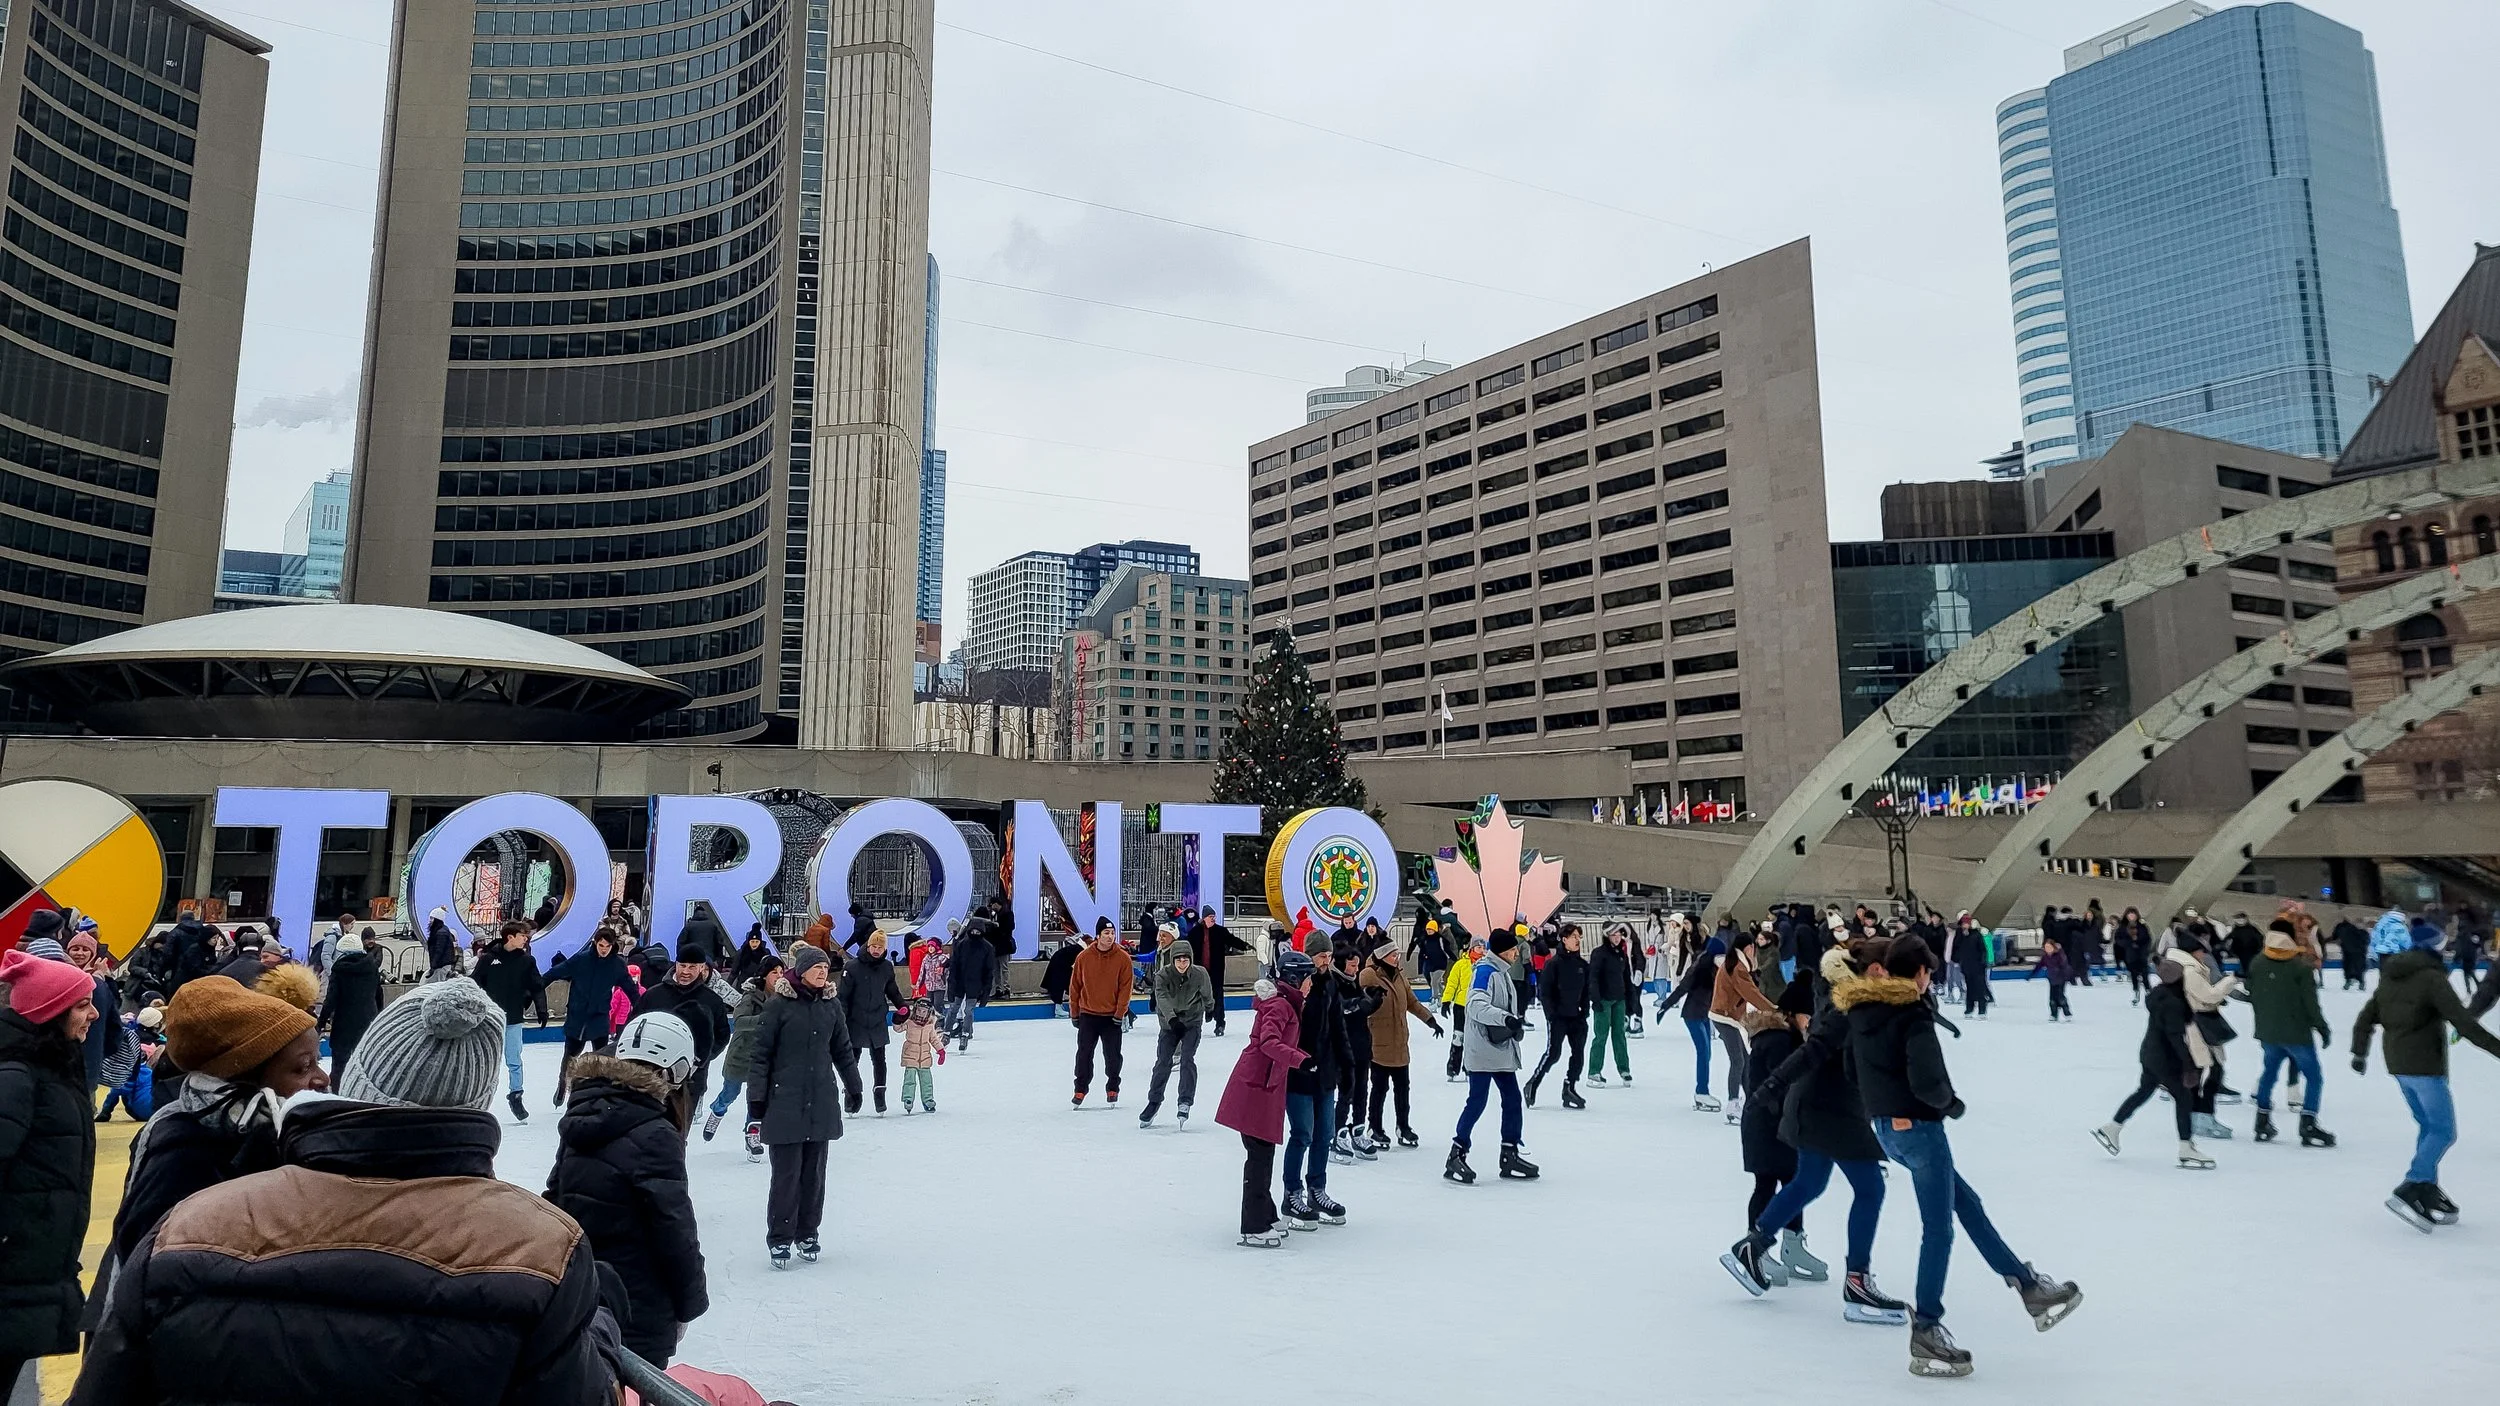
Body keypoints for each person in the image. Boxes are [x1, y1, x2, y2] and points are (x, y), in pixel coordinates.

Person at [72, 978, 623, 1405]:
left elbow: (116, 1372)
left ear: (361, 1076)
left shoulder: (193, 1224)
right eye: (303, 1066)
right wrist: (597, 1327)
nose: (320, 1078)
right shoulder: (542, 1252)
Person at [1848, 936, 2081, 1377]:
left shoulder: (1861, 1010)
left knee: (1967, 1205)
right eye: (1928, 972)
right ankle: (1928, 1328)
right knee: (1939, 1230)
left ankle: (2028, 1285)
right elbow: (1929, 1082)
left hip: (1886, 1131)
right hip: (1919, 1129)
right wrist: (1951, 1105)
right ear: (1918, 973)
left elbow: (1849, 1071)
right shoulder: (1911, 1015)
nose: (1930, 979)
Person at [90, 974, 326, 1334]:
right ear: (249, 1080)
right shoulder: (192, 1149)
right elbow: (146, 1268)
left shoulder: (260, 1132)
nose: (322, 1078)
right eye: (301, 1067)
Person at [1722, 943, 1906, 1324]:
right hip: (1829, 1111)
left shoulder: (1862, 1003)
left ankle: (1753, 1246)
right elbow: (1812, 1052)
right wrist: (1772, 1086)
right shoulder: (1847, 1006)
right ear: (1873, 971)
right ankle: (1857, 1282)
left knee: (1809, 1182)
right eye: (1890, 970)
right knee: (1870, 1188)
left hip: (1827, 1107)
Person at [545, 1010, 708, 1369]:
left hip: (579, 1292)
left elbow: (555, 1198)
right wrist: (689, 1302)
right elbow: (674, 1227)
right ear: (672, 1071)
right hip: (637, 1306)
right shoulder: (656, 1133)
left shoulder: (584, 1111)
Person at [2352, 915, 2500, 1231]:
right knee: (2444, 1132)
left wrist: (2359, 1053)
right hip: (2425, 1066)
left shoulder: (2390, 976)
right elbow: (2463, 1023)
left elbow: (2365, 1019)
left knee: (2427, 1127)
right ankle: (2413, 1184)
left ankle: (2427, 1188)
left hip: (2399, 1066)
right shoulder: (2432, 978)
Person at [0, 947, 97, 1400]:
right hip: (13, 1269)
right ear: (49, 1011)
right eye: (82, 1004)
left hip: (27, 1269)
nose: (94, 1014)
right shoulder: (19, 1077)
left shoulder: (50, 1069)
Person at [746, 943, 864, 1268]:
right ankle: (780, 1238)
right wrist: (757, 1099)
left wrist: (854, 1086)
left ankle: (808, 1232)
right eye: (817, 968)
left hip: (821, 1101)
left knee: (814, 1175)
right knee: (786, 1176)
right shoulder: (778, 1006)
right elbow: (761, 1056)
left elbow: (843, 1049)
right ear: (801, 971)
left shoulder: (831, 1006)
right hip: (784, 1101)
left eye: (826, 968)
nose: (823, 973)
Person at [2092, 937, 2210, 1169]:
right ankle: (2186, 1147)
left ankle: (2112, 1127)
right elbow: (2175, 1037)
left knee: (2144, 1091)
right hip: (2165, 1059)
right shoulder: (2173, 1004)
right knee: (2184, 1098)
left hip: (2149, 1053)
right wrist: (2188, 1064)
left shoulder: (2160, 995)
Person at [1215, 952, 1307, 1248]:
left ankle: (1265, 1214)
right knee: (1259, 1157)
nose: (1311, 984)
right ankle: (1253, 1225)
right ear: (1295, 978)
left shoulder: (1285, 1003)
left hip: (1263, 1086)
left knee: (1262, 1153)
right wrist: (1301, 1061)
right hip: (1254, 1086)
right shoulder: (1280, 1005)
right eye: (1308, 978)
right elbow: (1269, 1043)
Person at [1446, 930, 1536, 1185]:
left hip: (1499, 1048)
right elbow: (1475, 1006)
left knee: (1512, 1099)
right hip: (1483, 1050)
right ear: (1502, 951)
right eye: (1512, 949)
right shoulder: (1485, 971)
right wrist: (1505, 1019)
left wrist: (1510, 1023)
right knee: (1477, 1101)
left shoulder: (1502, 972)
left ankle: (1509, 1152)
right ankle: (1457, 1152)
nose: (1516, 952)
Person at [2247, 924, 2335, 1149]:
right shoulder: (2300, 968)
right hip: (2296, 1033)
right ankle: (2308, 1122)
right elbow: (2311, 1004)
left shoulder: (2257, 963)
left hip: (2268, 1032)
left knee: (2269, 1073)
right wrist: (2322, 1027)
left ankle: (2262, 1120)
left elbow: (2253, 993)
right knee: (2314, 1077)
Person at [1282, 940, 1350, 1227]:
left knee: (1325, 1134)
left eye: (1330, 956)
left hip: (1325, 1073)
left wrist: (1347, 1065)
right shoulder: (1293, 993)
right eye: (1322, 956)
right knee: (1303, 1134)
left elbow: (1338, 1026)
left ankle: (1316, 1190)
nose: (1327, 961)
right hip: (1298, 1074)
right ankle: (1292, 1193)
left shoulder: (1330, 985)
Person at [634, 939, 733, 1129]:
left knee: (677, 1133)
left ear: (702, 968)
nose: (686, 971)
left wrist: (701, 1058)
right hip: (650, 1075)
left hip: (690, 1080)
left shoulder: (711, 1001)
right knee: (646, 1130)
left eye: (692, 967)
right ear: (675, 965)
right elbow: (634, 1025)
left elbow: (721, 1035)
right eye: (682, 965)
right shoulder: (654, 995)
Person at [1359, 938, 1442, 1148]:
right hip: (1379, 1043)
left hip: (1400, 1043)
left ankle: (1403, 1126)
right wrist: (1370, 998)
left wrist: (1430, 1020)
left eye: (1397, 954)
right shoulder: (1370, 974)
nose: (1397, 958)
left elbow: (1412, 1002)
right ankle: (1375, 1127)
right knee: (1379, 1088)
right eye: (1393, 955)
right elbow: (1361, 1001)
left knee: (1403, 1088)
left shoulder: (1399, 975)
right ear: (1382, 956)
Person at [544, 928, 632, 1105]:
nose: (604, 949)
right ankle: (563, 1084)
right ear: (595, 943)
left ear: (613, 945)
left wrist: (643, 1005)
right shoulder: (581, 960)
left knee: (602, 1058)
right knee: (570, 1054)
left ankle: (599, 1091)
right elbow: (555, 973)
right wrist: (535, 989)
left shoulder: (617, 965)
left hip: (599, 1016)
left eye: (608, 946)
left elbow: (630, 988)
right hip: (578, 1014)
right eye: (601, 945)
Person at [470, 919, 547, 1121]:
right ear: (510, 937)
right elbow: (474, 984)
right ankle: (475, 1097)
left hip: (513, 1017)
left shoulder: (527, 961)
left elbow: (537, 985)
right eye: (523, 936)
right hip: (489, 1019)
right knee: (484, 1060)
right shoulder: (488, 959)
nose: (526, 940)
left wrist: (542, 1009)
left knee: (514, 1059)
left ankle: (516, 1094)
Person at [705, 956, 780, 1147]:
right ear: (764, 975)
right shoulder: (750, 996)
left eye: (781, 972)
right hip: (742, 1055)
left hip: (766, 1057)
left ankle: (752, 1133)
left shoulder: (783, 997)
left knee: (758, 1097)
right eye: (774, 972)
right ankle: (717, 1110)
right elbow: (739, 1022)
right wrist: (765, 1020)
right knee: (731, 1092)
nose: (779, 976)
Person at [1140, 936, 1213, 1128]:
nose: (1182, 963)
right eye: (1179, 959)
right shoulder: (1162, 975)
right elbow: (1162, 998)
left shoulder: (1200, 974)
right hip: (1168, 1024)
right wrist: (1172, 1019)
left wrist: (1211, 1008)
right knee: (1163, 1062)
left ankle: (1185, 1101)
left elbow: (1207, 992)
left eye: (1186, 959)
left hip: (1191, 1022)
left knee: (1187, 1058)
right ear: (1172, 960)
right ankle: (1154, 1102)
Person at [834, 931, 907, 1116]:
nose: (876, 950)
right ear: (868, 946)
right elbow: (843, 997)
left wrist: (902, 1006)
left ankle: (879, 1095)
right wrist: (841, 1019)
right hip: (855, 1021)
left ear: (885, 949)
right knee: (852, 1060)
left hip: (876, 1019)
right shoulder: (852, 967)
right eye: (873, 946)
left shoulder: (887, 967)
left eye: (880, 947)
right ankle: (851, 1096)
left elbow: (893, 991)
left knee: (879, 1060)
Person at [1708, 936, 1777, 1123]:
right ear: (1748, 948)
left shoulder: (1735, 964)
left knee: (1745, 1060)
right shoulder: (1738, 968)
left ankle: (1750, 1102)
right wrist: (1773, 1010)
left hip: (1727, 1016)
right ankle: (1732, 1104)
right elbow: (1751, 993)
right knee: (1738, 1061)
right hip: (1725, 1017)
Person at [1657, 934, 1725, 1112]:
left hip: (1704, 1014)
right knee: (1703, 1052)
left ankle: (1702, 1090)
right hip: (1693, 1014)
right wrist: (1665, 1005)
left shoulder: (1714, 969)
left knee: (1707, 1053)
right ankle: (1701, 1091)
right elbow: (1683, 987)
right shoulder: (1700, 968)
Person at [1068, 919, 1132, 1107]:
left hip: (1112, 1017)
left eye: (1112, 933)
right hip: (1088, 1014)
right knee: (1084, 1054)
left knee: (1113, 1055)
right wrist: (1074, 1012)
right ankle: (1080, 1089)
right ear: (1098, 936)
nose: (1110, 937)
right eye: (1106, 933)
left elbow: (1125, 989)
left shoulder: (1123, 958)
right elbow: (1075, 986)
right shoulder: (1084, 957)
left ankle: (1113, 1087)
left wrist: (1120, 1013)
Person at [1526, 923, 1591, 1109]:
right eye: (1574, 937)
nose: (1578, 940)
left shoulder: (1582, 965)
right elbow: (1544, 992)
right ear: (1564, 939)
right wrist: (1551, 1014)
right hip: (1558, 1017)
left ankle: (1569, 1087)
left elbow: (1586, 990)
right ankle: (1533, 1083)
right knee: (1553, 1053)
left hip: (1577, 1017)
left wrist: (1584, 1011)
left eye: (1579, 937)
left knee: (1578, 1054)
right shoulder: (1553, 964)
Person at [323, 928, 385, 1090]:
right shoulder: (372, 967)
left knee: (339, 1062)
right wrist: (378, 1016)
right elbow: (378, 994)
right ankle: (362, 1091)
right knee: (365, 1059)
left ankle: (337, 1093)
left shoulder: (339, 970)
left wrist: (320, 1023)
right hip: (367, 1020)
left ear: (341, 951)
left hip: (344, 1022)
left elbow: (331, 1000)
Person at [1586, 923, 1639, 1085]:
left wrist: (1631, 1000)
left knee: (1620, 1036)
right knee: (1601, 1036)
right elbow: (1593, 977)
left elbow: (1626, 977)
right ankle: (1594, 1071)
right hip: (1603, 1000)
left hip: (1619, 1000)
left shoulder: (1621, 954)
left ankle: (1624, 1069)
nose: (1616, 938)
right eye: (1613, 935)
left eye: (1619, 935)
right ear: (1606, 936)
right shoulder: (1599, 953)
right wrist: (1595, 999)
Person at [944, 910, 997, 1051]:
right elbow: (954, 966)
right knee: (954, 1008)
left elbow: (988, 972)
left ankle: (965, 1034)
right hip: (960, 983)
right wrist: (951, 985)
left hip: (975, 985)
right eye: (972, 931)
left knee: (968, 1010)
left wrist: (985, 992)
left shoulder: (987, 948)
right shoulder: (961, 945)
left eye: (977, 932)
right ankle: (946, 1033)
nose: (975, 934)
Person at [1439, 934, 1481, 1082]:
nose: (1481, 950)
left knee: (1473, 1039)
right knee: (1459, 1037)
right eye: (1478, 947)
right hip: (1461, 1006)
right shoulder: (1461, 964)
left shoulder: (1486, 965)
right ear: (1471, 948)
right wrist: (1446, 1001)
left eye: (1483, 947)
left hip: (1478, 1007)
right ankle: (1452, 1067)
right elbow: (1452, 983)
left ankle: (1470, 1067)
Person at [897, 998, 941, 1114]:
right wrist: (897, 1018)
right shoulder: (909, 1022)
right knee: (909, 1079)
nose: (921, 1013)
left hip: (925, 1057)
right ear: (915, 1010)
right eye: (919, 1010)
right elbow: (898, 1029)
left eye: (924, 1011)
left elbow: (934, 1039)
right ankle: (908, 1099)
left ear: (928, 1013)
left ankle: (928, 1100)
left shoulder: (930, 1025)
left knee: (926, 1081)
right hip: (910, 1055)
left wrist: (940, 1050)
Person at [1950, 914, 1993, 1018]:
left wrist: (1983, 962)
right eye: (1964, 923)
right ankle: (1969, 1009)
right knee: (1969, 988)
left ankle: (1982, 1010)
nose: (1965, 925)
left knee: (1980, 987)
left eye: (1967, 923)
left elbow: (1983, 950)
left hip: (1978, 966)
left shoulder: (1976, 934)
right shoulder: (1959, 935)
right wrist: (1956, 959)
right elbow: (1955, 948)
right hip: (1966, 966)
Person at [2113, 907, 2154, 1004]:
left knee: (2145, 974)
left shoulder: (2142, 926)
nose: (2131, 916)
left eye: (2133, 914)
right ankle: (2136, 991)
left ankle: (2148, 991)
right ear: (2126, 915)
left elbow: (2148, 939)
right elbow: (2118, 939)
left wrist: (2142, 946)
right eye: (2130, 914)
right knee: (2134, 974)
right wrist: (2128, 944)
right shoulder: (2122, 927)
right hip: (2130, 954)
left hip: (2142, 954)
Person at [1041, 932, 1083, 1018]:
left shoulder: (1078, 949)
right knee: (1060, 983)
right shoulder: (1082, 951)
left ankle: (1059, 1007)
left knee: (1064, 982)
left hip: (1061, 962)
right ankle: (1058, 1009)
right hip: (1061, 964)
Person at [2036, 938, 2073, 1022]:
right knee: (2052, 998)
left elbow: (2065, 967)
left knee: (2060, 997)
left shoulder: (2060, 955)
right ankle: (2053, 1014)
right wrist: (2031, 975)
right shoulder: (2045, 957)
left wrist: (2068, 977)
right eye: (2046, 947)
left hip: (2061, 979)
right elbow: (2039, 965)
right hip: (2052, 979)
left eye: (2049, 947)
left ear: (2053, 947)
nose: (2048, 949)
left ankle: (2067, 1013)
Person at [2332, 913, 2370, 991]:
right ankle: (2360, 982)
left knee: (2348, 966)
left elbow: (2336, 937)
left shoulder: (2347, 929)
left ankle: (2349, 981)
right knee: (2359, 966)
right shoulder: (2362, 932)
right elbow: (2366, 941)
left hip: (2348, 951)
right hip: (2359, 952)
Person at [422, 905, 460, 980]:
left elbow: (439, 950)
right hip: (441, 965)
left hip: (441, 965)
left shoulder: (441, 933)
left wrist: (434, 965)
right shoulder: (441, 930)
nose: (430, 920)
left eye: (432, 918)